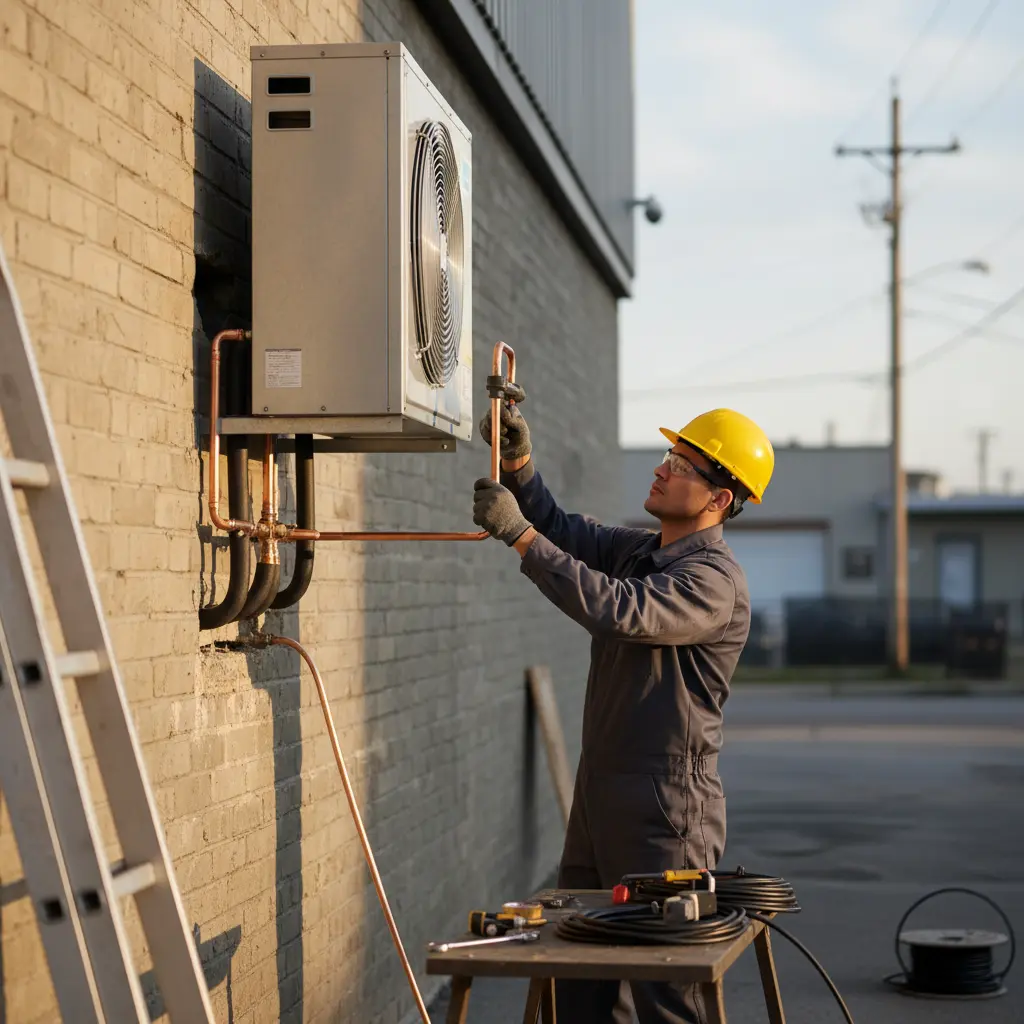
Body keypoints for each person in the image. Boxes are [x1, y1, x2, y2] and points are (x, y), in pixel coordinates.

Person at [471, 399, 774, 1024]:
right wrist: (520, 464)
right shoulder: (642, 550)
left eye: (683, 465)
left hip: (666, 810)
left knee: (663, 989)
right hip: (601, 796)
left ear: (719, 500)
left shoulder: (712, 581)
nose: (663, 470)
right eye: (670, 456)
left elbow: (620, 610)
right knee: (582, 971)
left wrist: (519, 537)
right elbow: (562, 527)